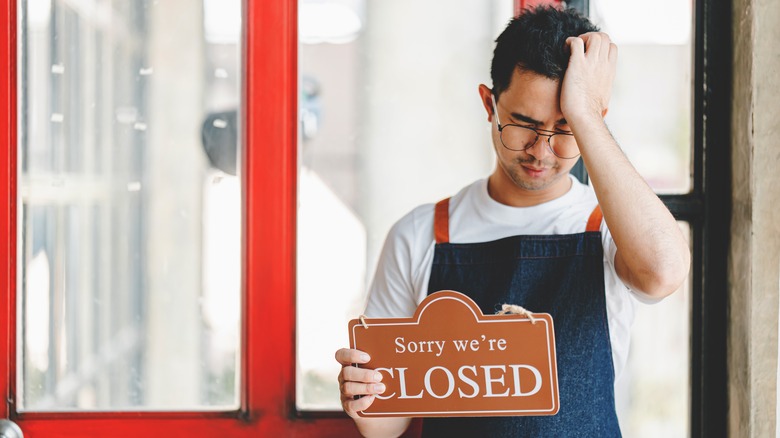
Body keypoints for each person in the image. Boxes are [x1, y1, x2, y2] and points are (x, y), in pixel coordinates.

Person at [335, 6, 690, 437]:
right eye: (523, 124)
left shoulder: (607, 230)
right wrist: (363, 397)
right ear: (489, 104)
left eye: (564, 129)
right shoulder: (420, 235)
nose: (541, 151)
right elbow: (385, 426)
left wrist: (586, 113)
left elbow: (665, 271)